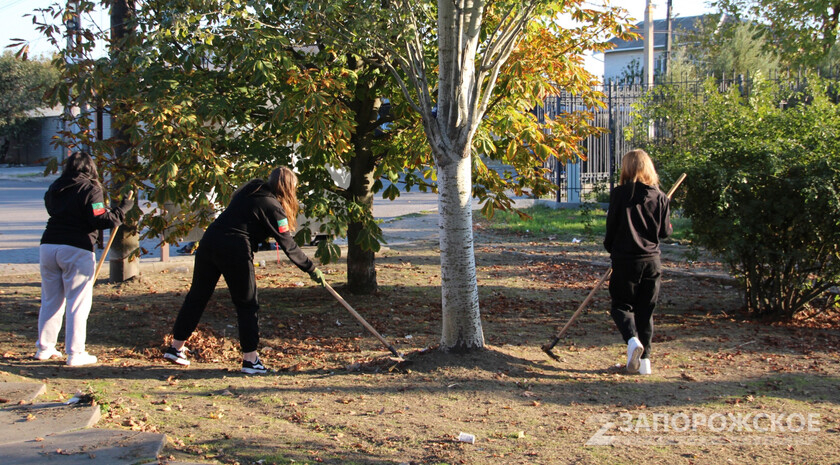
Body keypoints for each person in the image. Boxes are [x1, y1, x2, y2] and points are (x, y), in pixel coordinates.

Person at [164, 167, 326, 374]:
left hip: (210, 242)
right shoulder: (273, 207)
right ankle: (250, 359)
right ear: (287, 188)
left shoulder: (250, 190)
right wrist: (311, 269)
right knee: (247, 303)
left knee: (197, 296)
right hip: (235, 249)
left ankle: (175, 348)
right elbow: (288, 244)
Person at [35, 151, 134, 366]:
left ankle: (44, 348)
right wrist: (122, 209)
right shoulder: (91, 189)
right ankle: (75, 353)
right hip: (76, 248)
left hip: (49, 245)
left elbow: (51, 209)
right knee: (78, 302)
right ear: (91, 168)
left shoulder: (55, 187)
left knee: (51, 300)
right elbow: (100, 220)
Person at [603, 149, 672, 375]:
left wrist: (611, 249)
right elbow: (665, 233)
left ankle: (633, 341)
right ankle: (645, 364)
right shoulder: (660, 197)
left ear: (627, 168)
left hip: (625, 260)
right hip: (652, 261)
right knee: (645, 311)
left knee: (621, 306)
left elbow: (611, 228)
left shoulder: (620, 194)